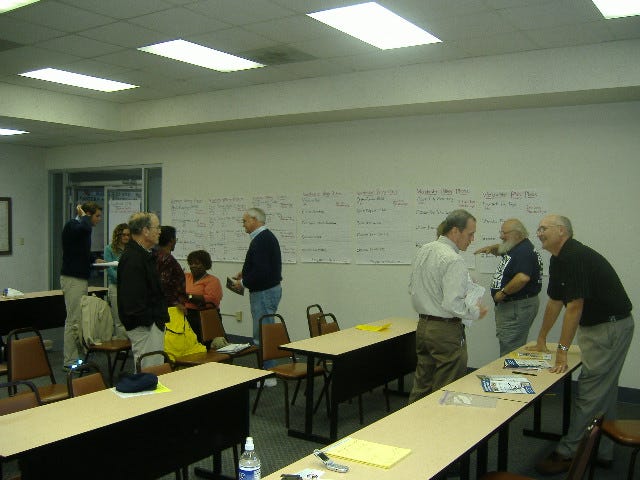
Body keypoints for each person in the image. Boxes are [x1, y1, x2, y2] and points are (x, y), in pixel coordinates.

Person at [530, 215, 634, 475]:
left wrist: (562, 352)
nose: (539, 232)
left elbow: (574, 306)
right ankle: (603, 449)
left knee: (589, 390)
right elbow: (555, 301)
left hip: (608, 328)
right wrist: (542, 337)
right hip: (599, 328)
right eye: (539, 229)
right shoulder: (558, 259)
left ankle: (569, 452)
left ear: (561, 231)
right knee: (604, 390)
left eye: (544, 228)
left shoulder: (574, 256)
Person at [408, 209, 488, 403]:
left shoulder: (425, 249)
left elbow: (413, 287)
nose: (472, 239)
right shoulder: (454, 259)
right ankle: (439, 428)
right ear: (455, 231)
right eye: (470, 234)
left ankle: (410, 428)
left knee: (422, 383)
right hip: (445, 330)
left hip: (424, 326)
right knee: (447, 387)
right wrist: (475, 312)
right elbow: (452, 303)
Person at [474, 218, 543, 356]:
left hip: (515, 307)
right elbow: (504, 249)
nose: (501, 236)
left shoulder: (524, 251)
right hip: (514, 306)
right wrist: (493, 248)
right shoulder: (518, 247)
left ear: (517, 234)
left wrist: (503, 293)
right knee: (509, 344)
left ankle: (508, 375)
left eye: (504, 233)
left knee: (510, 349)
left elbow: (522, 278)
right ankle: (508, 373)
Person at [232, 207, 282, 386]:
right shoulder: (264, 238)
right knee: (264, 331)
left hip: (264, 292)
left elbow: (262, 271)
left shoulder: (261, 240)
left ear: (255, 220)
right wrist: (245, 274)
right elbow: (261, 267)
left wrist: (243, 283)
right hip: (267, 290)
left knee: (262, 334)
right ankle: (267, 371)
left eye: (245, 221)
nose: (243, 224)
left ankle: (268, 375)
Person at [117, 212, 169, 371]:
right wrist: (149, 321)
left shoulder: (143, 254)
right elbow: (132, 299)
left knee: (153, 370)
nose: (160, 231)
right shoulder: (133, 258)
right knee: (148, 374)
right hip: (144, 326)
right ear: (145, 231)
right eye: (157, 227)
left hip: (150, 324)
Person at [60, 201, 103, 369]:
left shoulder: (82, 228)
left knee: (79, 319)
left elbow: (77, 251)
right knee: (73, 320)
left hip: (79, 277)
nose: (99, 219)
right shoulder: (73, 225)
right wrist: (83, 216)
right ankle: (69, 361)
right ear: (87, 215)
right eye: (97, 216)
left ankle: (78, 356)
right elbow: (83, 229)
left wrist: (94, 259)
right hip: (72, 279)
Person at [184, 249, 223, 344]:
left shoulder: (213, 281)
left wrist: (187, 296)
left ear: (205, 265)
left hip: (203, 317)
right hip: (184, 314)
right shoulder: (185, 276)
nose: (193, 266)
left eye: (197, 263)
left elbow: (211, 300)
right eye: (191, 263)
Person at [103, 223, 130, 340]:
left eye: (128, 235)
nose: (126, 237)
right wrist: (122, 279)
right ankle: (122, 344)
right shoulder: (109, 249)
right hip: (116, 286)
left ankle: (130, 344)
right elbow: (109, 269)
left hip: (129, 287)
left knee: (129, 317)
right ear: (118, 235)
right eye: (123, 235)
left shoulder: (131, 249)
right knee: (118, 318)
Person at [155, 226, 187, 310]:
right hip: (170, 308)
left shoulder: (154, 255)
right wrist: (176, 303)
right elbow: (163, 284)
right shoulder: (167, 259)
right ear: (172, 240)